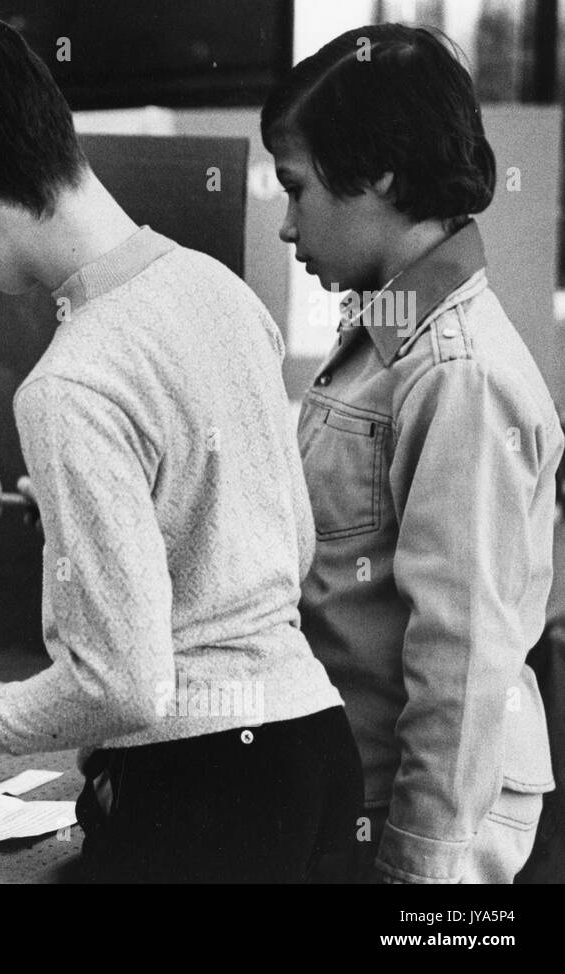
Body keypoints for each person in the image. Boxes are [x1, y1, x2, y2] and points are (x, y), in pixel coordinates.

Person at [0, 10, 361, 882]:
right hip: (317, 756)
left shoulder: (69, 383)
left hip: (201, 798)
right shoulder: (220, 292)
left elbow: (125, 684)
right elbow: (294, 547)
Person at [263, 23, 561, 883]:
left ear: (379, 176)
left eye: (298, 190)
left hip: (422, 815)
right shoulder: (388, 332)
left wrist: (421, 879)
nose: (287, 227)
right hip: (358, 786)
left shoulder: (458, 375)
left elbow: (461, 657)